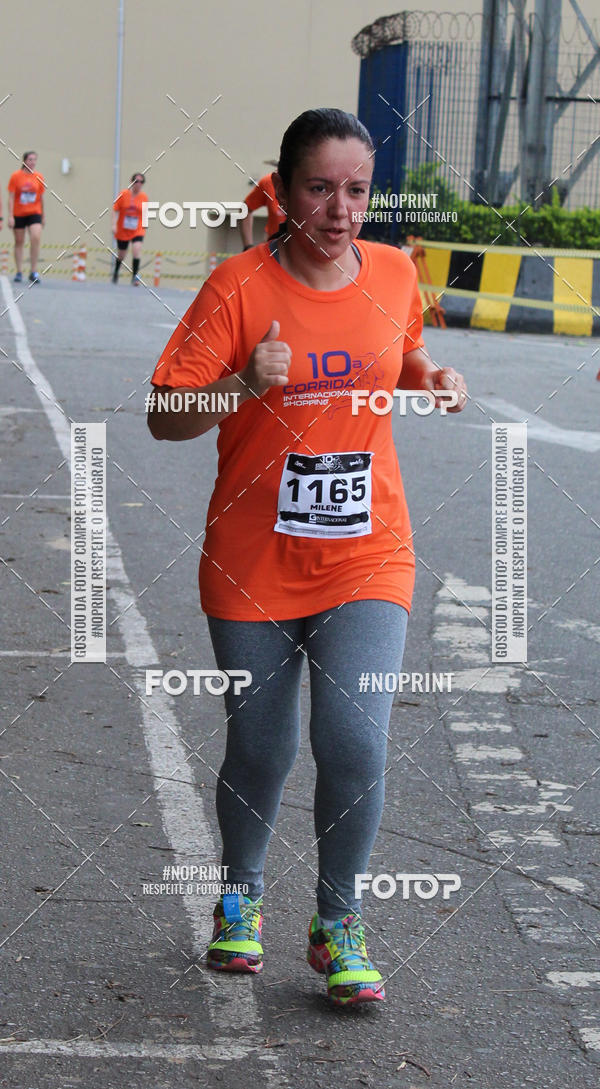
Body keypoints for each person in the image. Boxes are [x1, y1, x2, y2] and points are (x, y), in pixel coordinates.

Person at [148, 108, 467, 1008]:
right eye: (320, 188)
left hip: (369, 554)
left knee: (356, 740)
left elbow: (402, 348)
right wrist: (243, 382)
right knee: (260, 747)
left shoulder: (398, 271)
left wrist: (431, 377)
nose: (339, 208)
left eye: (356, 189)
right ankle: (240, 898)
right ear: (284, 191)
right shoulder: (236, 287)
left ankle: (338, 922)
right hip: (254, 558)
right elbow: (164, 415)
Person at [8, 151, 45, 284]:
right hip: (19, 213)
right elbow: (11, 197)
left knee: (35, 237)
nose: (32, 162)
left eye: (34, 160)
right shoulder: (16, 176)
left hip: (34, 212)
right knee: (19, 241)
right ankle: (19, 271)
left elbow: (41, 198)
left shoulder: (39, 176)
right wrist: (10, 216)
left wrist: (43, 216)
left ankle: (33, 271)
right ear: (24, 161)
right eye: (30, 159)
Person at [111, 173, 149, 285]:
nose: (138, 184)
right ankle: (116, 273)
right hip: (123, 229)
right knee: (122, 254)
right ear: (132, 182)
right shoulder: (123, 194)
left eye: (141, 182)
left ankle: (134, 276)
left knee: (136, 249)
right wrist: (113, 225)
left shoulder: (144, 197)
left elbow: (145, 212)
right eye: (136, 181)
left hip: (137, 229)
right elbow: (115, 209)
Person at [239, 165, 286, 250]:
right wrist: (248, 246)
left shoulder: (309, 184)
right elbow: (245, 209)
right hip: (274, 247)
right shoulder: (269, 182)